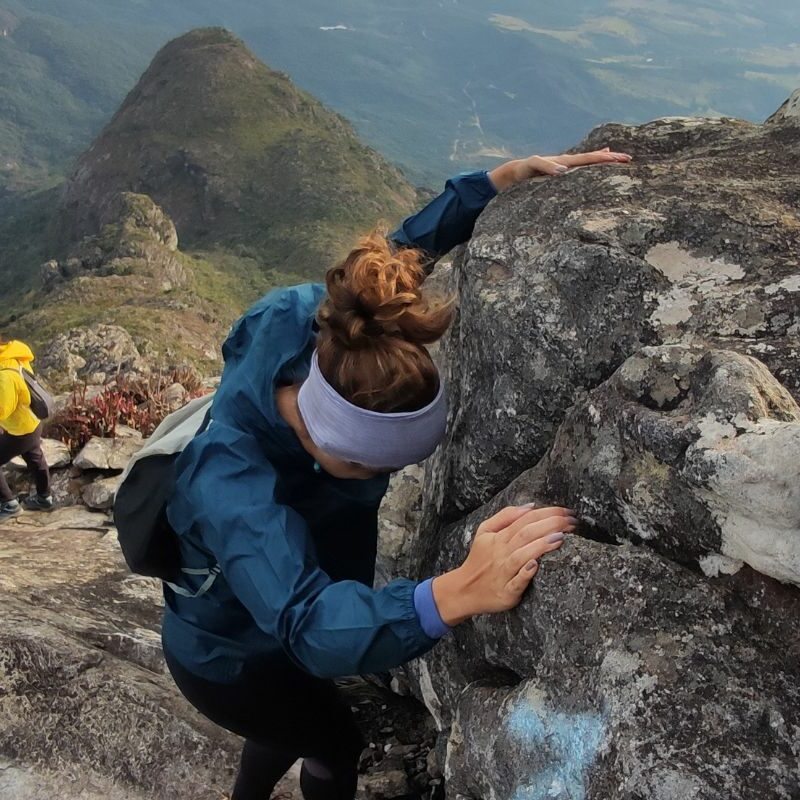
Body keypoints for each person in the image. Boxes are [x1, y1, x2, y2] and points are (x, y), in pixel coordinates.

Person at [164, 148, 632, 800]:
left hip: (278, 614)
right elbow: (307, 621)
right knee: (334, 742)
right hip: (230, 655)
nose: (388, 479)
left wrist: (494, 184)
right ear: (333, 448)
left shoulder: (313, 323)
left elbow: (391, 267)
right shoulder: (228, 483)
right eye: (380, 468)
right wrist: (457, 591)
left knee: (295, 724)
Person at [0, 339, 54, 520]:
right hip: (32, 422)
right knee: (35, 458)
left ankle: (9, 504)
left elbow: (3, 408)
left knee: (33, 455)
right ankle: (44, 497)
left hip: (20, 430)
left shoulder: (5, 376)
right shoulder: (14, 357)